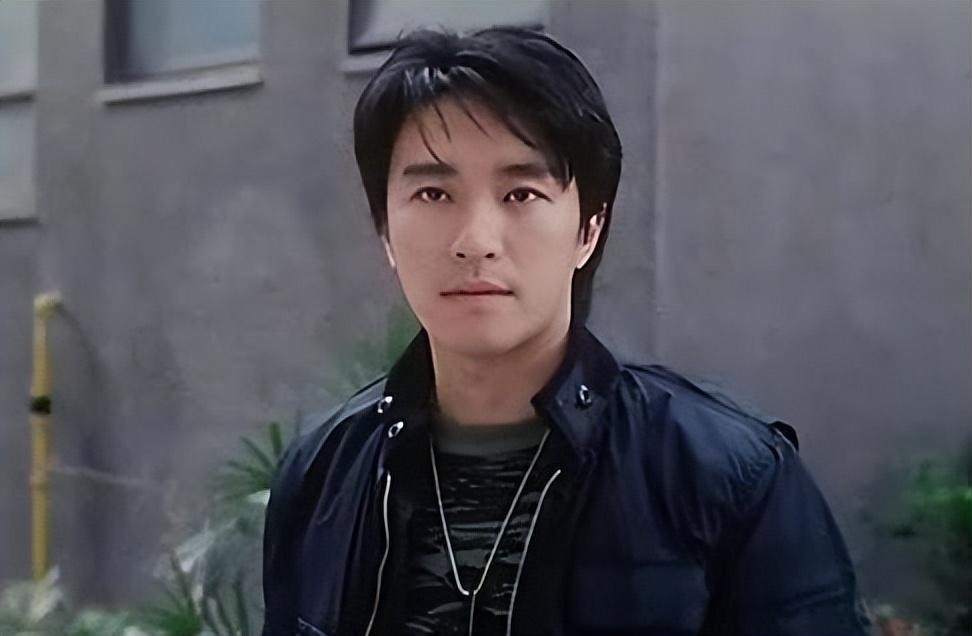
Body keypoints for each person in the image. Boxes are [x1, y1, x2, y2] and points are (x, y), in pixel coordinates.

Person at [261, 27, 869, 636]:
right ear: (386, 232)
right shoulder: (321, 475)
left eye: (521, 193)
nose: (475, 241)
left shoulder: (729, 476)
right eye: (433, 192)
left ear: (588, 230)